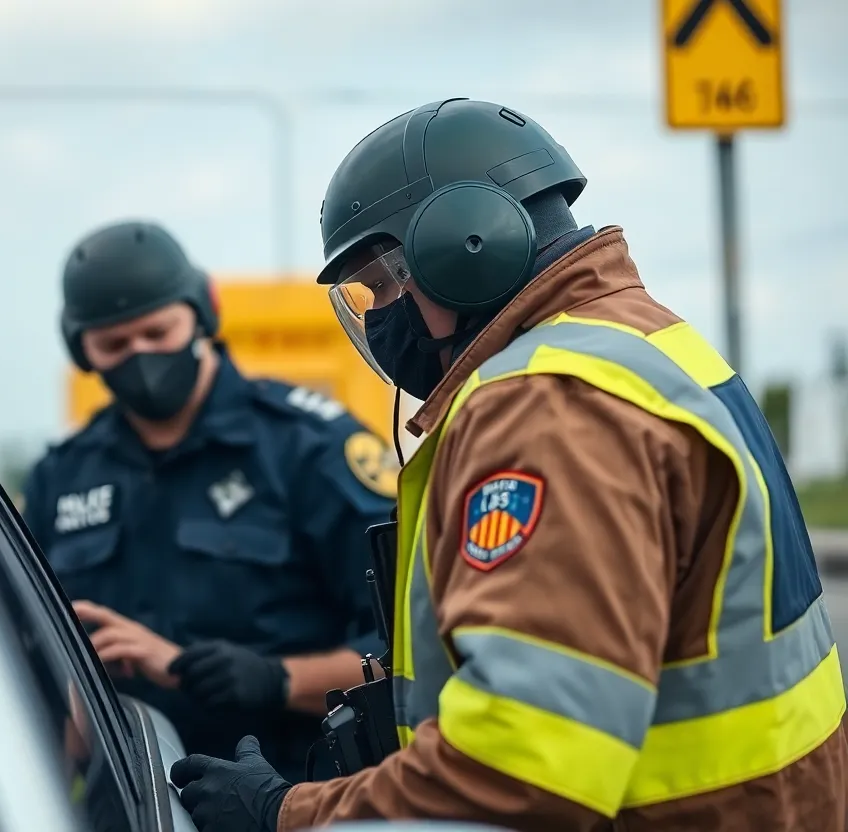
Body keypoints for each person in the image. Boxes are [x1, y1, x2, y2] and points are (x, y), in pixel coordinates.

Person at [169, 98, 848, 831]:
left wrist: (285, 812)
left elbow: (522, 767)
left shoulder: (547, 410)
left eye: (386, 282)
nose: (381, 315)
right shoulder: (635, 340)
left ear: (463, 246)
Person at [20, 219, 397, 784]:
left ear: (201, 313)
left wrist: (277, 679)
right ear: (82, 350)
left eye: (157, 333)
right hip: (134, 807)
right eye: (114, 345)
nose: (140, 356)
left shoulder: (307, 448)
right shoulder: (61, 476)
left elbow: (405, 648)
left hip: (294, 797)